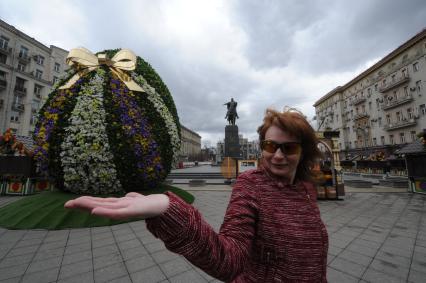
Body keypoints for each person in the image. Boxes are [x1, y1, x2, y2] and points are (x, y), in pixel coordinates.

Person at [65, 108, 328, 282]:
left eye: (289, 147)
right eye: (271, 145)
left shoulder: (305, 188)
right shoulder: (252, 184)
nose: (278, 155)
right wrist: (170, 211)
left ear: (303, 151)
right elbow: (228, 259)